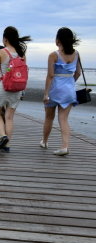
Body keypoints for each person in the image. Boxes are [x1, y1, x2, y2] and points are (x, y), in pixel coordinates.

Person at [0, 26, 31, 152]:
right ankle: (6, 145)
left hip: (3, 86)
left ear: (5, 39)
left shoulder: (1, 52)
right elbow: (24, 72)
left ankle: (3, 136)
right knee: (10, 117)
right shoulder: (21, 53)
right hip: (17, 88)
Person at [41, 27, 81, 156]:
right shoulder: (76, 54)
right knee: (63, 119)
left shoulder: (53, 55)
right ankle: (65, 146)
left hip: (55, 89)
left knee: (49, 117)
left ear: (58, 40)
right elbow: (78, 73)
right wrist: (70, 83)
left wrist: (46, 93)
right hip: (69, 90)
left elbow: (50, 75)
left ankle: (45, 141)